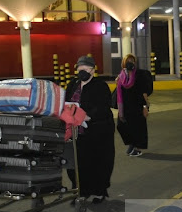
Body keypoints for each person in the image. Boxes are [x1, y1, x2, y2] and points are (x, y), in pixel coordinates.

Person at [64, 55, 115, 204]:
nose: (82, 72)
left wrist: (88, 116)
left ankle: (99, 191)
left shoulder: (100, 86)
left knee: (98, 162)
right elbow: (66, 103)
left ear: (93, 70)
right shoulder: (72, 84)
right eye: (80, 69)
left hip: (97, 131)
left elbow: (104, 107)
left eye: (86, 69)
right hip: (75, 132)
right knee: (76, 164)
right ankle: (80, 191)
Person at [116, 53, 153, 157]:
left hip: (137, 106)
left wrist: (146, 107)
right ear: (123, 63)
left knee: (138, 128)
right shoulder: (121, 77)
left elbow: (144, 92)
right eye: (128, 61)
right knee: (121, 126)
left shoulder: (139, 75)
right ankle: (131, 144)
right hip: (125, 107)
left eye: (132, 61)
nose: (130, 63)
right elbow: (119, 94)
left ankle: (135, 147)